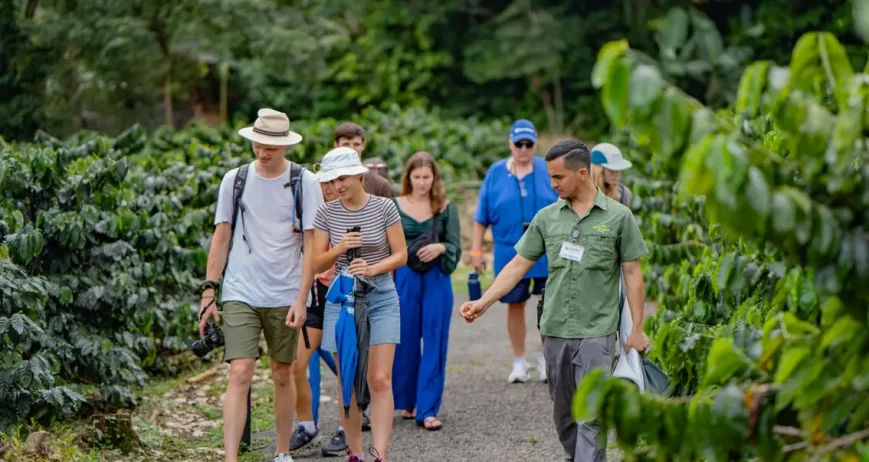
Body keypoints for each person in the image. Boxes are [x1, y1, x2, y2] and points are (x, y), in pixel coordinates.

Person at [460, 139, 651, 462]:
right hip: (555, 329)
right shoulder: (547, 218)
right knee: (563, 417)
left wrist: (637, 329)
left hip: (597, 332)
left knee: (591, 416)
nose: (552, 184)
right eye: (550, 177)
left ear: (582, 173)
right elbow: (518, 264)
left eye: (558, 177)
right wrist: (485, 302)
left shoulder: (619, 217)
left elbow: (633, 274)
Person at [199, 108, 324, 462]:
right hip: (241, 289)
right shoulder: (234, 180)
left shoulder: (305, 182)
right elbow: (221, 236)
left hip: (286, 289)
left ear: (284, 145)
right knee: (240, 371)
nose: (263, 151)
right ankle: (231, 458)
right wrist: (210, 291)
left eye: (271, 145)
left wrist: (303, 298)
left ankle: (282, 450)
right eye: (258, 143)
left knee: (283, 372)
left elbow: (313, 243)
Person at [312, 147, 408, 462]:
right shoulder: (326, 212)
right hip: (343, 298)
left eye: (342, 178)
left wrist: (373, 268)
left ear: (359, 175)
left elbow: (400, 255)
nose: (337, 185)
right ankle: (356, 454)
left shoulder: (384, 207)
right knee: (348, 379)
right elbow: (315, 262)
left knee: (379, 378)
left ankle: (379, 454)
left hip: (380, 294)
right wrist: (338, 248)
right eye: (331, 180)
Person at [470, 119, 558, 383]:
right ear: (510, 143)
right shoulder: (496, 172)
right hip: (509, 250)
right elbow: (481, 216)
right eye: (518, 144)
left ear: (535, 144)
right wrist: (476, 252)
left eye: (528, 144)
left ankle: (546, 358)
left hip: (546, 250)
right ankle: (519, 361)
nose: (523, 149)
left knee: (549, 305)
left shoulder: (547, 169)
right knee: (515, 304)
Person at [391, 152, 461, 431]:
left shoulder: (445, 207)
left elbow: (455, 245)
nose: (421, 182)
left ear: (434, 179)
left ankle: (428, 408)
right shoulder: (394, 205)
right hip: (404, 276)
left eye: (426, 177)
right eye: (416, 177)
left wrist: (441, 247)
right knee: (404, 340)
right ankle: (407, 401)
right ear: (408, 177)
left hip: (437, 277)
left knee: (435, 340)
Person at [290, 181, 356, 457]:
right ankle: (307, 424)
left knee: (344, 368)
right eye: (323, 184)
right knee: (295, 364)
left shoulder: (348, 211)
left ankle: (347, 429)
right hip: (314, 295)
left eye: (332, 183)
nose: (328, 188)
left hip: (341, 293)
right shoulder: (309, 213)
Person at [334, 122, 394, 198]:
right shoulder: (325, 182)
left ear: (363, 145)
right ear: (336, 145)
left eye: (356, 144)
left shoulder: (380, 185)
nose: (351, 149)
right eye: (346, 144)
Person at [590, 142, 633, 207]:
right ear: (598, 170)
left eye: (618, 169)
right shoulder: (579, 195)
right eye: (611, 170)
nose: (616, 174)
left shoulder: (624, 194)